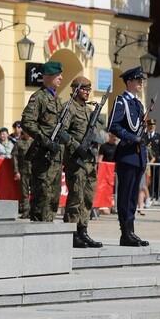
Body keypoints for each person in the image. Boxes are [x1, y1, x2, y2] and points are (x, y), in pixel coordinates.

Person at [109, 66, 149, 247]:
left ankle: (131, 231)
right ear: (129, 82)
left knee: (133, 195)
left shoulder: (138, 104)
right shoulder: (121, 101)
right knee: (125, 195)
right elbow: (114, 125)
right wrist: (132, 137)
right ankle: (125, 232)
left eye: (142, 80)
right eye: (138, 80)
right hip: (127, 154)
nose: (141, 83)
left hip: (139, 156)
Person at [21, 61, 66, 223]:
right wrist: (45, 141)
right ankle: (38, 235)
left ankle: (49, 235)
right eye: (57, 74)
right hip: (43, 155)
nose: (61, 77)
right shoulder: (38, 98)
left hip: (56, 158)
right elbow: (27, 122)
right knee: (42, 198)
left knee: (54, 199)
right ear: (47, 77)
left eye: (61, 74)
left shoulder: (57, 100)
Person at [62, 76, 102, 248]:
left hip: (89, 162)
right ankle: (71, 232)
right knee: (76, 197)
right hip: (76, 160)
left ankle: (82, 230)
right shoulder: (69, 107)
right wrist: (76, 146)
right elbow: (62, 132)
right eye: (84, 89)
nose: (87, 92)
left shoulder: (87, 109)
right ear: (76, 89)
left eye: (89, 89)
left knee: (87, 197)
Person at [12, 125, 32, 219]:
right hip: (23, 171)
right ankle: (26, 211)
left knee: (35, 192)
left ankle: (33, 211)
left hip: (34, 171)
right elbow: (14, 158)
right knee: (24, 193)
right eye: (26, 132)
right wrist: (16, 171)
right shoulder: (19, 143)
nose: (27, 134)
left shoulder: (34, 142)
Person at [143, 119, 160, 204]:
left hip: (156, 161)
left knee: (156, 178)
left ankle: (156, 196)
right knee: (147, 179)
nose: (151, 127)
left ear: (155, 126)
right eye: (149, 125)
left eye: (153, 125)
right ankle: (148, 196)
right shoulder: (143, 136)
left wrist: (158, 158)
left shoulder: (159, 136)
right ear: (147, 126)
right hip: (146, 161)